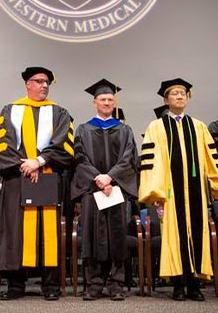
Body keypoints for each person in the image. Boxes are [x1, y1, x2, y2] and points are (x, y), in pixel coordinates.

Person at [138, 78, 218, 301]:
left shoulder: (199, 127)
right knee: (174, 237)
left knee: (198, 235)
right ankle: (178, 285)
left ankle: (195, 285)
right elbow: (152, 161)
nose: (180, 96)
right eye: (175, 93)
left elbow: (211, 158)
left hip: (196, 193)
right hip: (170, 194)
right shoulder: (156, 127)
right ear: (166, 99)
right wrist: (156, 193)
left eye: (183, 93)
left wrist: (217, 186)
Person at [0, 66, 74, 301]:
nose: (44, 85)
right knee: (15, 231)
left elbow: (64, 146)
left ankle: (50, 285)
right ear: (28, 84)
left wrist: (39, 161)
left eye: (47, 82)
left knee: (48, 232)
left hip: (47, 177)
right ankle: (16, 285)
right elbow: (2, 145)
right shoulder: (10, 110)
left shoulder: (59, 112)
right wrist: (24, 165)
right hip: (17, 179)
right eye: (39, 81)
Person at [71, 79, 138, 301]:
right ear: (95, 102)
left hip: (116, 190)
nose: (107, 102)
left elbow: (129, 157)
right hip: (93, 190)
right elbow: (79, 157)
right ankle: (94, 284)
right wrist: (97, 178)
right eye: (102, 99)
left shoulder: (124, 130)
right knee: (91, 237)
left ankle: (116, 283)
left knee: (118, 236)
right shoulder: (83, 129)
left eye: (110, 99)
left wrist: (110, 177)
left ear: (114, 102)